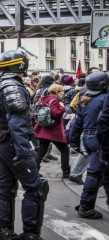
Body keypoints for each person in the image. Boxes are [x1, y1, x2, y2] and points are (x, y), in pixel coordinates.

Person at [0, 49, 54, 240]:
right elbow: (17, 123)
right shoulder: (13, 87)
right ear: (19, 65)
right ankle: (30, 236)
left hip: (1, 143)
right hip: (14, 143)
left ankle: (5, 233)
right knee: (35, 188)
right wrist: (24, 151)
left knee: (5, 189)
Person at [70, 72, 109, 219]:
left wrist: (73, 141)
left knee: (101, 172)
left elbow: (77, 122)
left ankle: (86, 204)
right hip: (101, 139)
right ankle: (85, 207)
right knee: (94, 173)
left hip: (88, 137)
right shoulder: (104, 99)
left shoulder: (85, 99)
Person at [33, 83, 71, 178]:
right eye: (62, 91)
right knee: (65, 150)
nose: (63, 93)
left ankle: (34, 171)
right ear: (57, 92)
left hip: (45, 129)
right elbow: (55, 113)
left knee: (41, 151)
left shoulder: (47, 99)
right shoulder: (54, 100)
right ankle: (66, 172)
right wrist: (62, 107)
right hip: (53, 130)